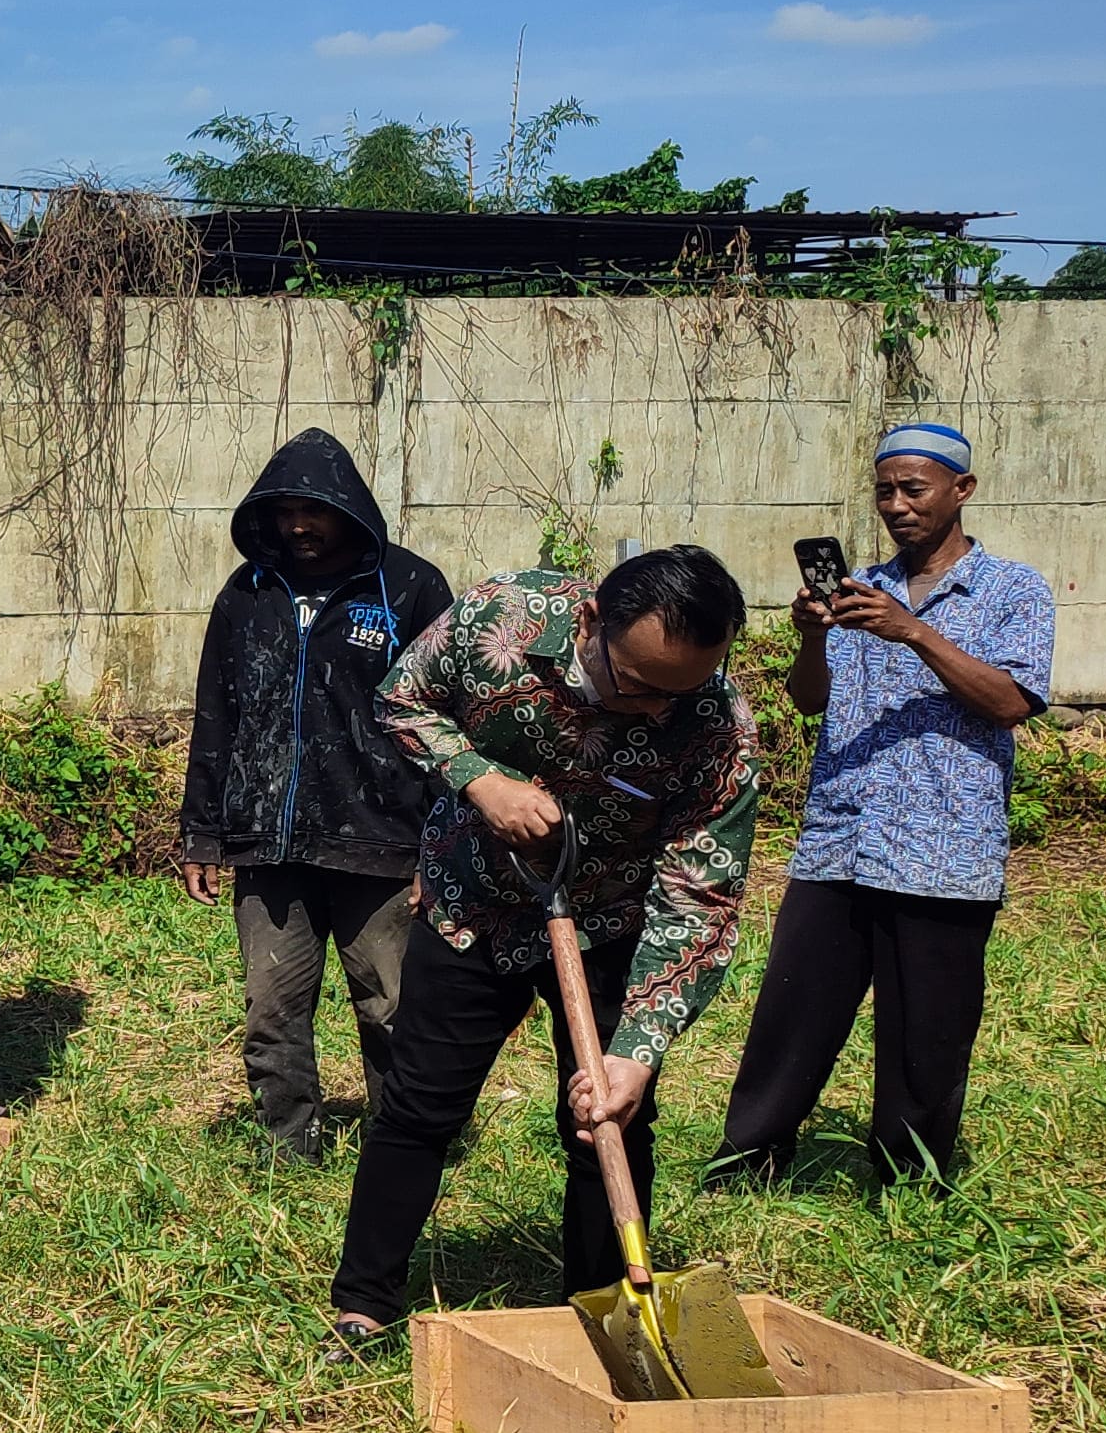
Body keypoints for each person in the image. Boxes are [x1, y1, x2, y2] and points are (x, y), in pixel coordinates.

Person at [325, 546, 757, 1361]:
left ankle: (605, 1317)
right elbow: (400, 699)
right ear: (591, 622)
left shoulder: (714, 725)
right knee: (419, 1106)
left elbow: (701, 893)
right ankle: (365, 1303)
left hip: (606, 921)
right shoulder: (503, 617)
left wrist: (636, 1052)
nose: (657, 709)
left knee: (608, 1122)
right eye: (639, 684)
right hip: (472, 905)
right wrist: (479, 779)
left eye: (680, 692)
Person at [712, 425, 1051, 1191]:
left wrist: (913, 632)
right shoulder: (860, 587)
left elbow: (1011, 701)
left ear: (961, 490)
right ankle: (746, 1163)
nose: (896, 505)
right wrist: (811, 639)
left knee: (926, 1033)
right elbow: (810, 701)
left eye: (913, 489)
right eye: (884, 491)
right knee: (792, 1015)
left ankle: (910, 1180)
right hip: (840, 838)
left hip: (944, 849)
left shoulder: (1014, 590)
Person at [178, 430, 456, 1160]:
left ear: (348, 508)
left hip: (382, 840)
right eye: (285, 512)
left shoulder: (411, 588)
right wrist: (202, 833)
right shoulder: (247, 593)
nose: (298, 525)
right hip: (269, 843)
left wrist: (442, 845)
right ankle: (287, 1148)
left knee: (391, 1005)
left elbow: (449, 721)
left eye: (314, 510)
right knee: (272, 1009)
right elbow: (216, 713)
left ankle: (402, 1148)